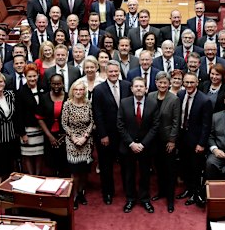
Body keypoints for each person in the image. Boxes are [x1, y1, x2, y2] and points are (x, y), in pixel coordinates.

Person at [92, 60, 132, 205]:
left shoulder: (127, 86)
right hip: (107, 135)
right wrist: (103, 135)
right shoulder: (98, 89)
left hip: (125, 135)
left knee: (126, 165)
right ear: (106, 73)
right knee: (106, 166)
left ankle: (129, 192)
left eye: (116, 71)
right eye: (111, 72)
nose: (114, 74)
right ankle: (108, 192)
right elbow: (97, 114)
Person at [117, 77, 159, 213]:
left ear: (146, 89)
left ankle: (145, 199)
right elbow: (120, 125)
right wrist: (131, 143)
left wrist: (143, 144)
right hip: (128, 147)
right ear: (132, 89)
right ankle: (130, 199)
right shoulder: (124, 103)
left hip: (146, 147)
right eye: (136, 86)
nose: (139, 88)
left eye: (142, 86)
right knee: (129, 174)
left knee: (145, 174)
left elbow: (155, 126)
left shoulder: (153, 104)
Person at [176, 73, 212, 207]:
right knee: (185, 166)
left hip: (196, 141)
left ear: (197, 83)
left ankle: (195, 193)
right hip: (182, 138)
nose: (189, 85)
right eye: (186, 82)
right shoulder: (179, 95)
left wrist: (201, 143)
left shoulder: (205, 100)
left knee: (195, 168)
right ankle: (188, 189)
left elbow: (206, 125)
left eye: (192, 82)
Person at [148, 71, 181, 213]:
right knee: (158, 167)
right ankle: (161, 192)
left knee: (169, 169)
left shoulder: (174, 99)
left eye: (165, 82)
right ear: (156, 83)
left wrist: (172, 140)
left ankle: (170, 199)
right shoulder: (150, 96)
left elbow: (176, 121)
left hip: (167, 140)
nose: (162, 85)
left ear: (169, 84)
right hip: (153, 139)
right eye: (160, 82)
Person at [62, 80, 95, 209]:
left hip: (86, 141)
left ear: (84, 91)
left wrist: (84, 137)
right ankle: (74, 195)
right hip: (72, 141)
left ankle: (81, 192)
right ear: (72, 91)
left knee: (84, 170)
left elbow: (92, 122)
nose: (78, 92)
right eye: (76, 89)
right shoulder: (67, 105)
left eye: (81, 90)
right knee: (75, 171)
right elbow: (64, 124)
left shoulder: (89, 104)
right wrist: (74, 138)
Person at [15, 63, 45, 175]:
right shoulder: (20, 92)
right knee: (28, 155)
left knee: (39, 154)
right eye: (29, 76)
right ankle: (31, 176)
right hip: (27, 130)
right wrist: (22, 133)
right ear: (25, 77)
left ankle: (38, 175)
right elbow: (18, 114)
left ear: (37, 75)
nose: (32, 78)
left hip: (40, 129)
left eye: (34, 76)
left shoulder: (43, 88)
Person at [37, 74, 69, 176]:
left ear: (63, 84)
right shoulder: (44, 97)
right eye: (53, 84)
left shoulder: (69, 97)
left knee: (65, 165)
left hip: (66, 136)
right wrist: (50, 136)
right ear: (50, 84)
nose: (56, 86)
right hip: (49, 135)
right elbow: (40, 118)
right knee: (51, 165)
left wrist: (66, 134)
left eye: (59, 84)